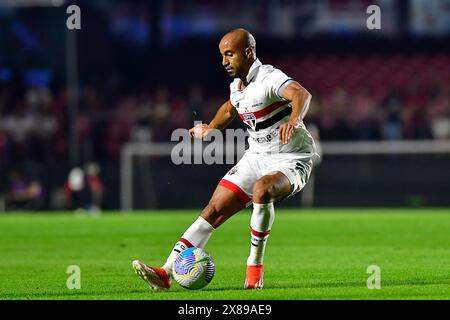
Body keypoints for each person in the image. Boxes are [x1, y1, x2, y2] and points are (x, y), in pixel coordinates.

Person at [132, 28, 317, 290]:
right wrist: (210, 128)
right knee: (212, 211)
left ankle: (254, 267)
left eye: (229, 54)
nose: (224, 62)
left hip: (291, 157)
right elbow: (231, 107)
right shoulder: (237, 85)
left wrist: (295, 120)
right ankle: (166, 272)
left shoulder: (268, 77)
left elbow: (301, 93)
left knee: (262, 190)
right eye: (222, 55)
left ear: (248, 52)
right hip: (257, 156)